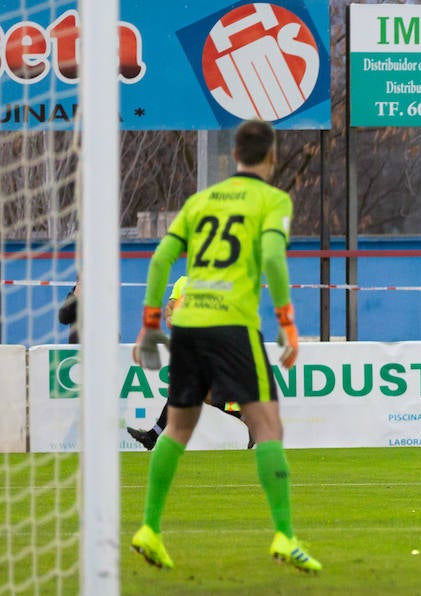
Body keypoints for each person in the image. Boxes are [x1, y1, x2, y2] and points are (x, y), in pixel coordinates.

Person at [129, 119, 320, 572]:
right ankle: (284, 536)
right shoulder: (272, 200)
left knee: (176, 429)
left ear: (234, 156)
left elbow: (159, 260)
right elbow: (272, 258)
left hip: (189, 326)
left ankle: (149, 528)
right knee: (269, 428)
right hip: (233, 324)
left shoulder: (200, 201)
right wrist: (288, 323)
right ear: (271, 158)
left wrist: (151, 322)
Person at [126, 276, 254, 451]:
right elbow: (170, 307)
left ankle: (152, 436)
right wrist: (169, 316)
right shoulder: (182, 282)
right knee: (204, 396)